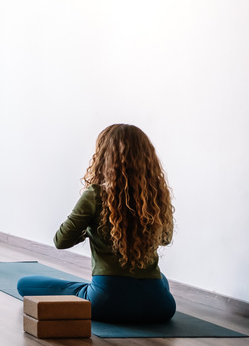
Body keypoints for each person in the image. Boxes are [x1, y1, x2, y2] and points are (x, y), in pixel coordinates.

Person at [17, 124, 176, 324]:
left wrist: (89, 229)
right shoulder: (156, 196)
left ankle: (98, 290)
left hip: (106, 303)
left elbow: (61, 241)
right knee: (161, 280)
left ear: (103, 157)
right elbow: (165, 239)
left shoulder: (95, 194)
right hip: (161, 307)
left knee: (25, 283)